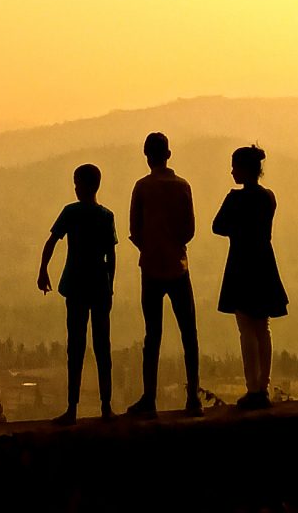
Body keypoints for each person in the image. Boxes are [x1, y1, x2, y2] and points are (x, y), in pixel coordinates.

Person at [126, 130, 200, 417]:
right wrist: (173, 245)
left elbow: (134, 230)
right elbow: (189, 230)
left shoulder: (142, 188)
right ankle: (193, 397)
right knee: (189, 334)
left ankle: (149, 400)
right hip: (179, 267)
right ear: (168, 154)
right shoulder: (182, 186)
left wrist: (151, 246)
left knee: (152, 335)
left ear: (147, 157)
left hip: (152, 269)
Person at [37, 162, 117, 422]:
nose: (74, 187)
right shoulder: (106, 216)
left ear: (82, 186)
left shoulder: (71, 212)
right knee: (102, 346)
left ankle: (72, 408)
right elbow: (111, 256)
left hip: (76, 284)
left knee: (76, 347)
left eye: (76, 182)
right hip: (99, 286)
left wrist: (43, 270)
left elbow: (51, 242)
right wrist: (110, 286)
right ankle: (106, 406)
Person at [212, 143, 287, 409]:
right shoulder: (268, 197)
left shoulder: (235, 199)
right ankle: (262, 387)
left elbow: (217, 226)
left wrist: (237, 229)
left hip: (241, 264)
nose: (232, 171)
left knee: (246, 328)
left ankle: (252, 388)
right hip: (264, 262)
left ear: (244, 169)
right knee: (262, 327)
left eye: (235, 166)